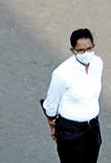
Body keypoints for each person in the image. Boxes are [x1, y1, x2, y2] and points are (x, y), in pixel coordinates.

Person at [42, 28, 103, 163]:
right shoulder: (62, 73)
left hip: (92, 127)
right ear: (73, 50)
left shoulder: (98, 63)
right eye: (81, 50)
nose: (86, 53)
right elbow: (51, 105)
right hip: (70, 131)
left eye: (89, 48)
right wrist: (53, 126)